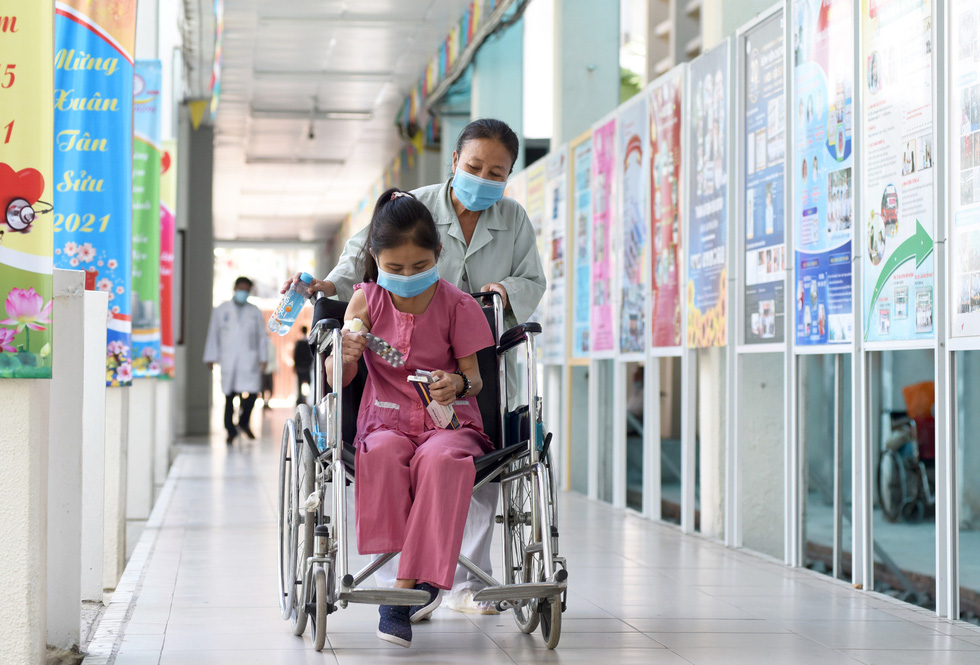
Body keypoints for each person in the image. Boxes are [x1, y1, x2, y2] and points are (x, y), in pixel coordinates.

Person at [283, 118, 546, 615]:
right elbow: (365, 251)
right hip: (393, 377)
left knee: (470, 472)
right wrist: (330, 289)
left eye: (497, 171)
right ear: (454, 162)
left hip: (469, 362)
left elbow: (532, 279)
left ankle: (463, 584)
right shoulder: (415, 206)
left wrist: (505, 293)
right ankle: (395, 582)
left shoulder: (512, 219)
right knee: (385, 454)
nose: (483, 177)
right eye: (474, 166)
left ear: (510, 173)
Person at [325, 188, 495, 647]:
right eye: (394, 268)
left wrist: (456, 384)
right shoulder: (366, 302)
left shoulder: (458, 304)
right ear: (377, 260)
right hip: (384, 421)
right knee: (380, 455)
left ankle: (403, 589)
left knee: (441, 462)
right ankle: (412, 574)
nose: (407, 276)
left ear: (437, 254)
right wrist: (344, 353)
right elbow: (337, 379)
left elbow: (474, 380)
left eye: (419, 266)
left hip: (448, 424)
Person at [204, 277, 268, 444]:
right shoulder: (221, 310)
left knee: (253, 394)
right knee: (229, 396)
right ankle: (230, 431)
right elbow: (213, 334)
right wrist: (211, 357)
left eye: (246, 290)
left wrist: (263, 357)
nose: (243, 293)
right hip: (228, 358)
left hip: (249, 358)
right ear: (235, 288)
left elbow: (262, 337)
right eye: (241, 289)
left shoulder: (255, 311)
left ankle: (244, 422)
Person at [293, 325, 313, 406]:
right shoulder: (309, 342)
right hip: (307, 367)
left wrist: (295, 365)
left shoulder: (298, 343)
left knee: (299, 383)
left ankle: (300, 399)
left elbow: (295, 355)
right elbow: (311, 355)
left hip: (300, 367)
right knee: (308, 383)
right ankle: (305, 398)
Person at [261, 336, 277, 410]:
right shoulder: (261, 346)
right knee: (263, 388)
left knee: (270, 388)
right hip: (263, 371)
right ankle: (264, 402)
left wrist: (276, 369)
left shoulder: (272, 346)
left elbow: (274, 359)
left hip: (270, 370)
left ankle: (268, 402)